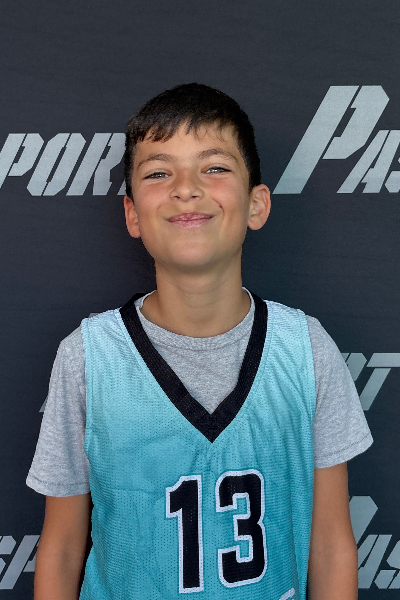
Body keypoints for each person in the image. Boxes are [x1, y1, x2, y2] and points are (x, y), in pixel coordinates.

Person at [27, 83, 372, 600]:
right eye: (159, 173)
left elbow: (328, 545)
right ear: (132, 214)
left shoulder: (305, 349)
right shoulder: (88, 357)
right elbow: (61, 548)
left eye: (214, 167)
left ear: (257, 205)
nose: (186, 188)